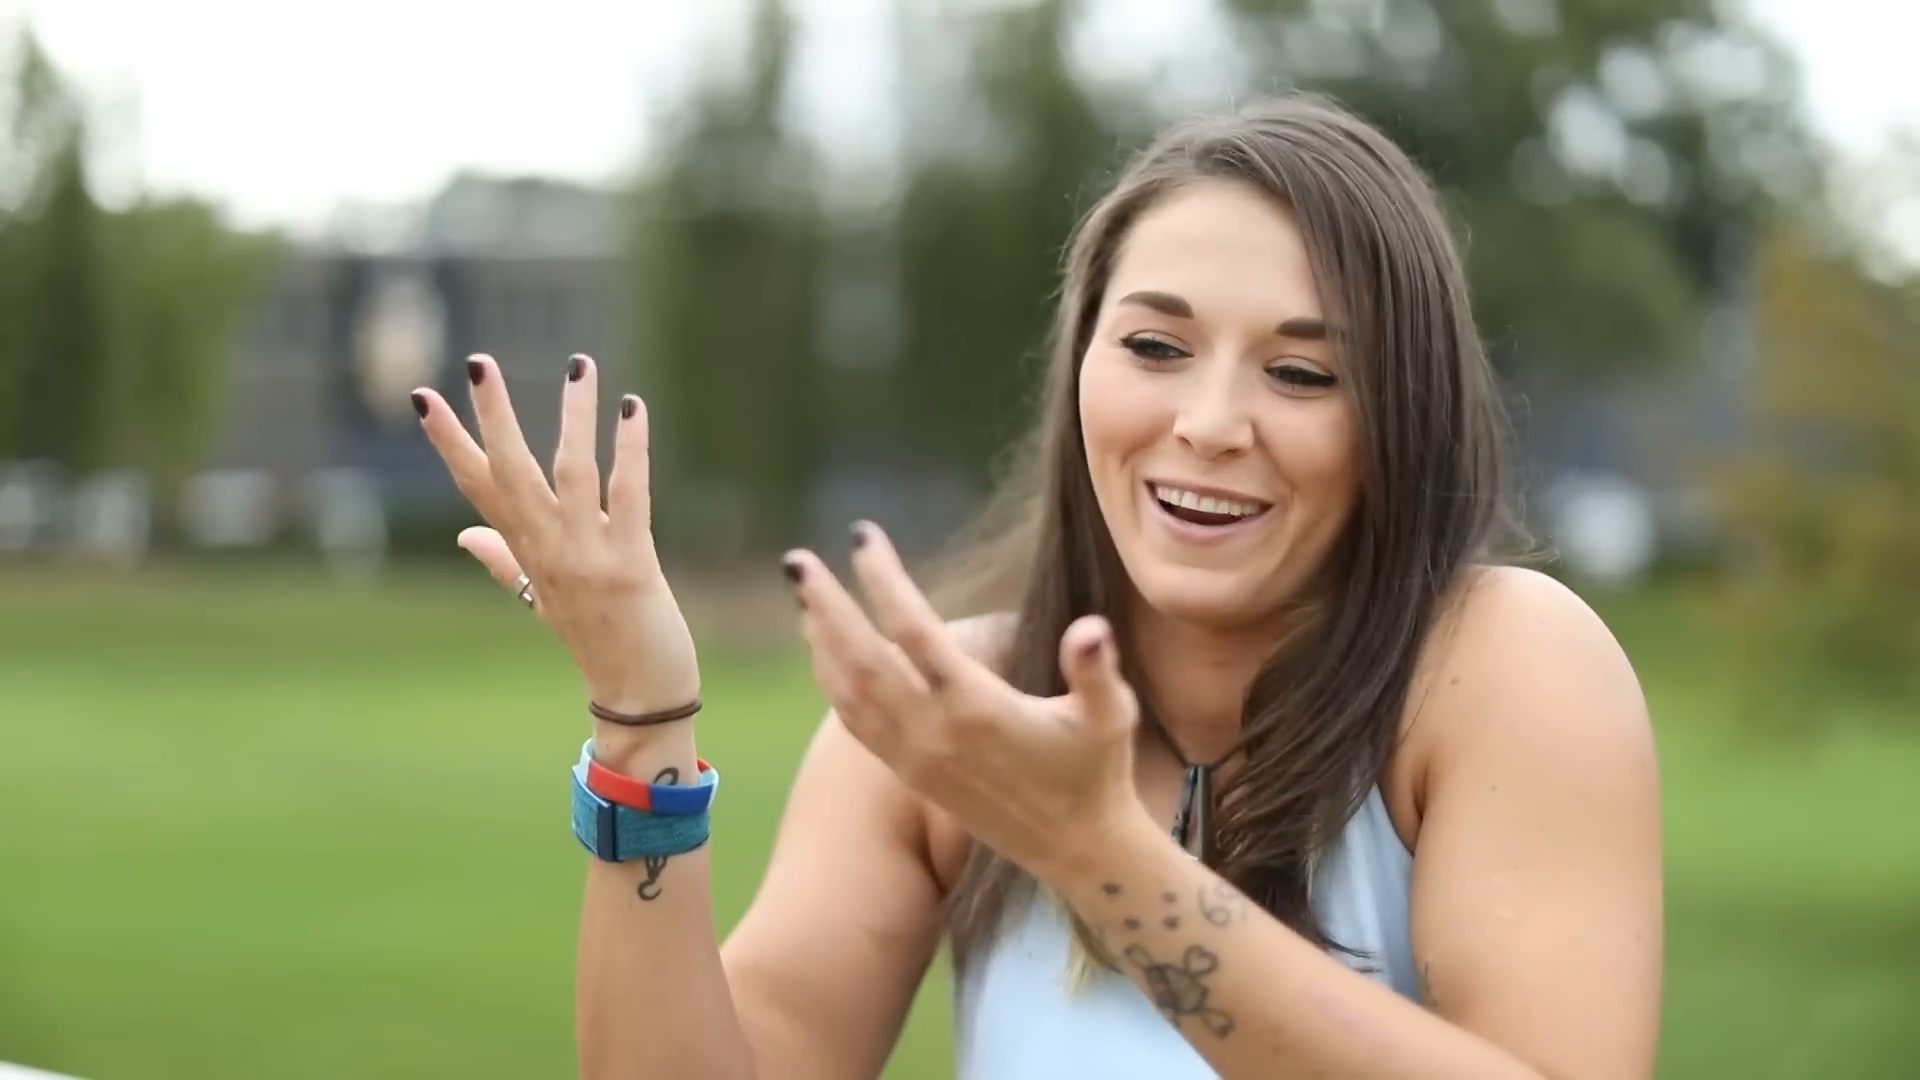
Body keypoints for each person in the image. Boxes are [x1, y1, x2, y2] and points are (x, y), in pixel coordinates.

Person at [410, 94, 1663, 1080]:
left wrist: (1097, 852)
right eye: (1156, 347)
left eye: (1301, 373)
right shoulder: (949, 710)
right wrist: (641, 717)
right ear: (1079, 368)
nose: (1209, 422)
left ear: (1403, 413)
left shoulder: (1500, 663)